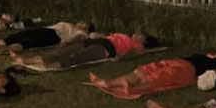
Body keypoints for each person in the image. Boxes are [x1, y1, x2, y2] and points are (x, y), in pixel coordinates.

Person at [88, 51, 216, 96]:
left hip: (187, 70)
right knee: (147, 69)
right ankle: (111, 82)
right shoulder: (209, 57)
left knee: (161, 77)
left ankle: (134, 88)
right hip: (177, 60)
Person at [12, 33, 159, 70]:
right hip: (100, 42)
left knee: (79, 56)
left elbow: (131, 53)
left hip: (106, 48)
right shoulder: (126, 36)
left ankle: (54, 64)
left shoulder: (139, 46)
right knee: (68, 50)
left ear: (144, 40)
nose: (137, 34)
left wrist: (120, 57)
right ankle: (31, 60)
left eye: (141, 36)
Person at [0, 21, 93, 53]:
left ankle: (6, 48)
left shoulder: (81, 33)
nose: (81, 23)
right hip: (48, 30)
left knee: (30, 42)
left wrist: (68, 44)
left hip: (56, 37)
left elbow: (82, 38)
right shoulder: (69, 24)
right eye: (82, 22)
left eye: (85, 24)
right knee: (22, 34)